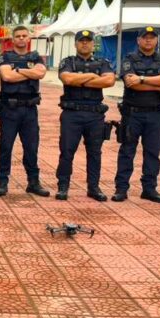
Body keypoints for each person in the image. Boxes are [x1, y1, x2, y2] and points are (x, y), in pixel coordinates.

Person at [112, 27, 160, 203]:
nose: (148, 40)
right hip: (133, 114)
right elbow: (131, 83)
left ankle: (149, 189)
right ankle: (121, 189)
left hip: (155, 114)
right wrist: (156, 84)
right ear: (138, 40)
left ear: (156, 40)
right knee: (127, 151)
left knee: (153, 152)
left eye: (152, 38)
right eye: (145, 37)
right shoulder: (130, 59)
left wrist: (142, 79)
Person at [55, 30, 116, 201]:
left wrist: (79, 78)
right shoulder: (68, 62)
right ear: (75, 44)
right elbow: (67, 79)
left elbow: (109, 81)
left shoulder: (102, 62)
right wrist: (92, 76)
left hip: (94, 114)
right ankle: (63, 186)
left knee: (95, 152)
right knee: (67, 151)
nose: (85, 44)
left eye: (88, 41)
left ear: (93, 44)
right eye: (81, 41)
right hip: (72, 114)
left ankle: (93, 187)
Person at [0, 25, 50, 197]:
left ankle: (33, 182)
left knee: (31, 148)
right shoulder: (5, 56)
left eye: (24, 35)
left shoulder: (36, 56)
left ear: (29, 38)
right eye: (17, 36)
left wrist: (18, 70)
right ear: (13, 38)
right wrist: (29, 72)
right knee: (6, 146)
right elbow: (7, 77)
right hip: (9, 109)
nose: (21, 38)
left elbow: (41, 74)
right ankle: (2, 182)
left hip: (29, 109)